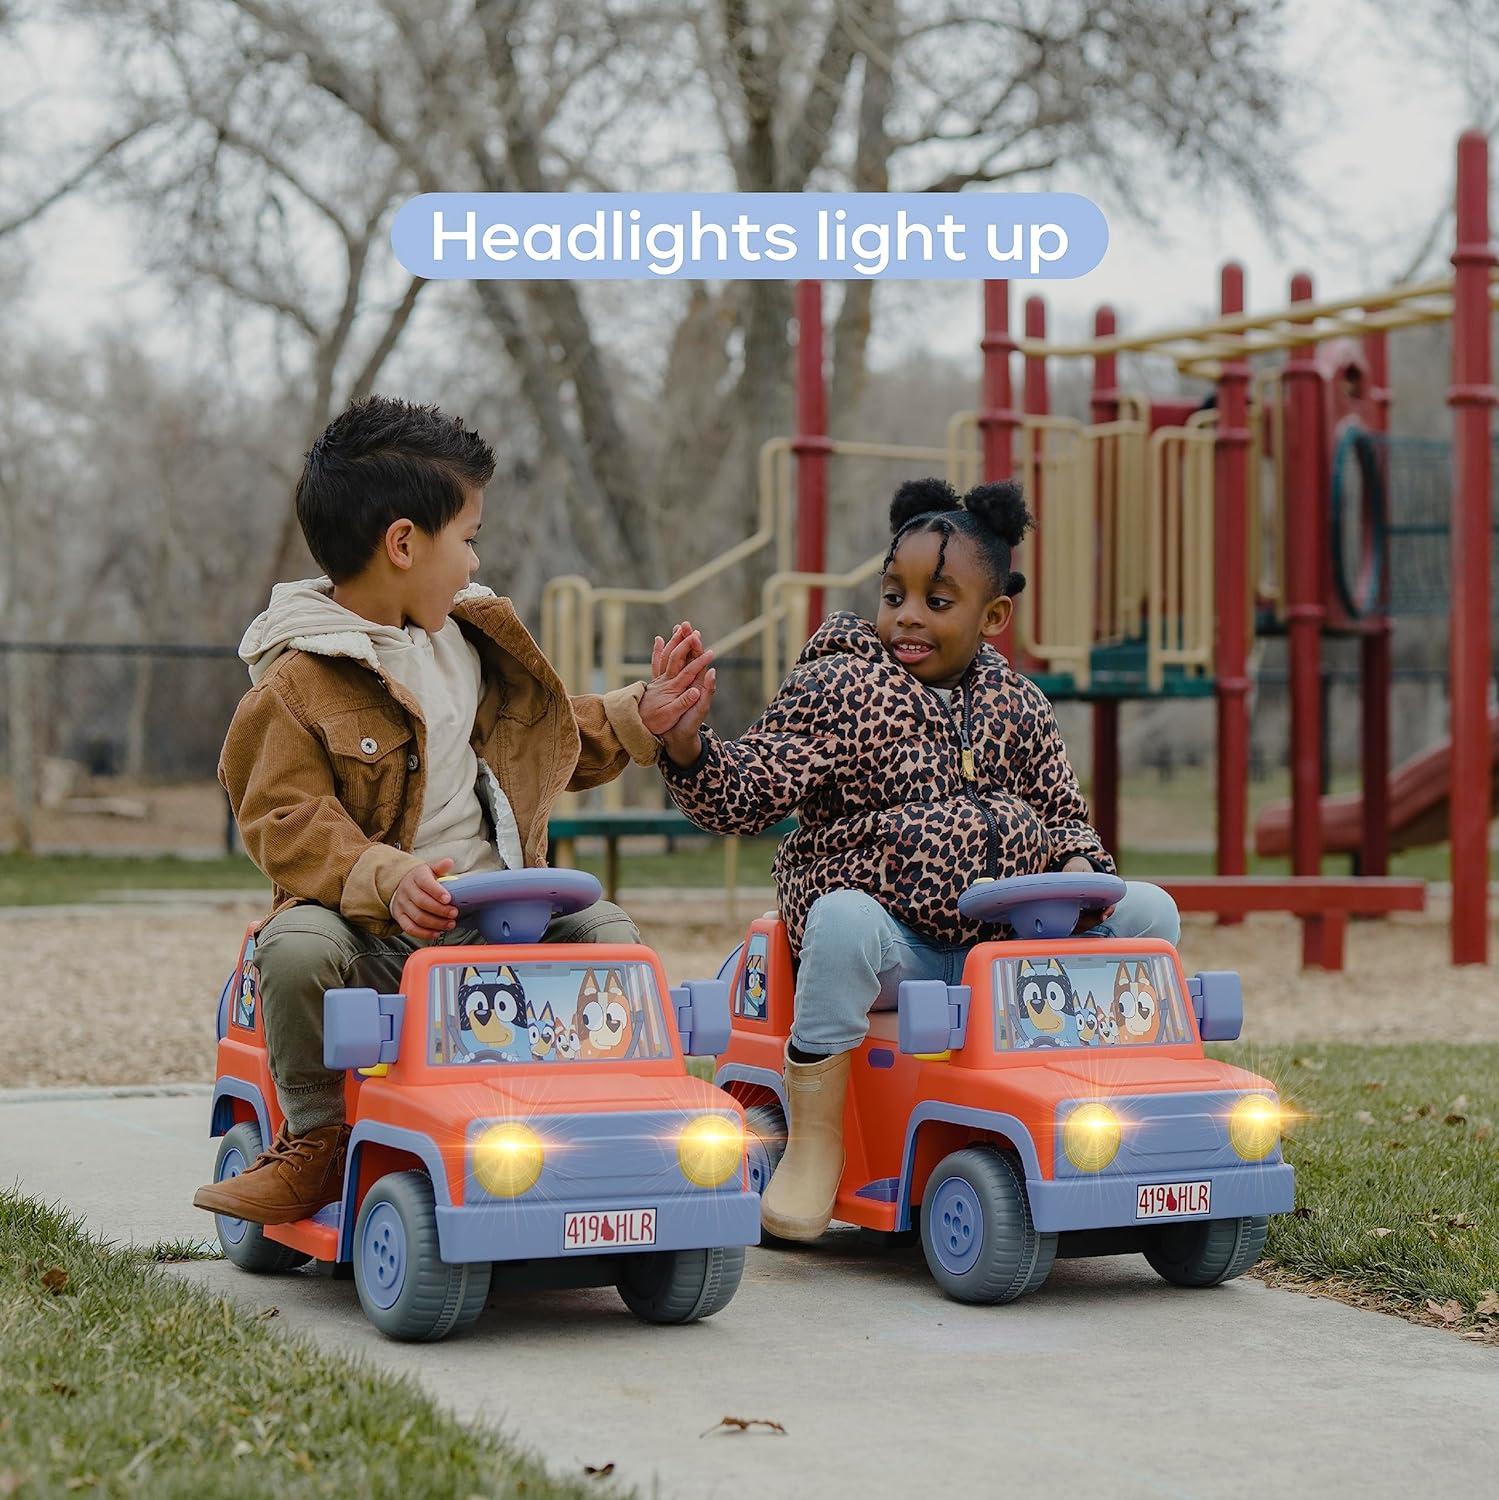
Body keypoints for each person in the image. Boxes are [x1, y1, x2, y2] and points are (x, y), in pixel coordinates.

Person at [193, 396, 711, 1225]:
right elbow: (284, 817)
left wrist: (631, 718)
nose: (473, 564)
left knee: (608, 936)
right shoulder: (295, 684)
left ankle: (618, 1110)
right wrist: (381, 875)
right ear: (404, 543)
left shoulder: (467, 643)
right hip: (371, 931)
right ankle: (317, 1140)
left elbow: (535, 738)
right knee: (290, 951)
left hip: (497, 913)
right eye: (467, 538)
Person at [657, 476, 1179, 1242]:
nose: (906, 616)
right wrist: (686, 744)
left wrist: (1074, 870)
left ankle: (1125, 1097)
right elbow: (745, 794)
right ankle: (815, 1145)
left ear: (992, 615)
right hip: (892, 947)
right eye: (894, 593)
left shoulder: (1019, 706)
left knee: (1149, 908)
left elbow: (1066, 817)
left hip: (1001, 952)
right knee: (838, 918)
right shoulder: (840, 687)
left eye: (937, 602)